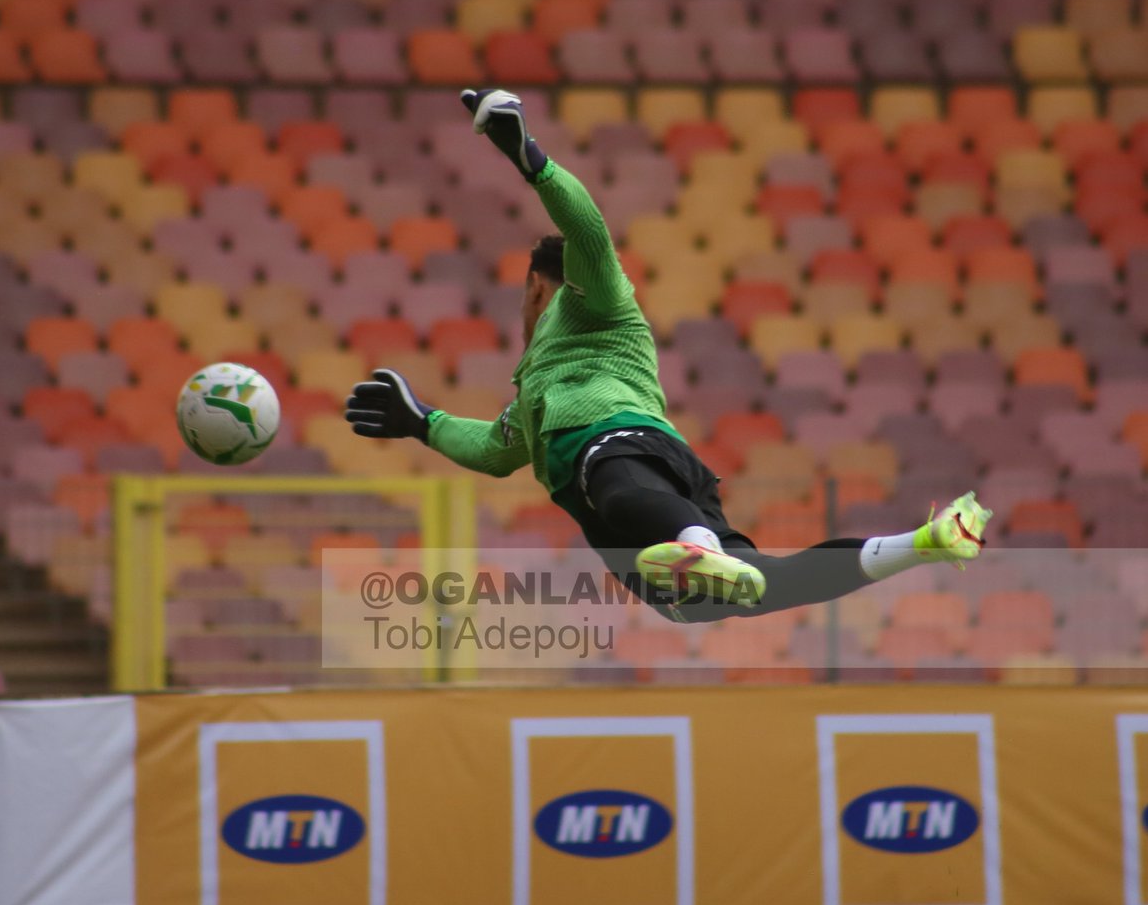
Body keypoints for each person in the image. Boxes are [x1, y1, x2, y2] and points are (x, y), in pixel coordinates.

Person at [345, 88, 992, 624]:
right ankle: (925, 544)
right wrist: (423, 422)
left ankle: (696, 546)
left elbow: (589, 233)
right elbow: (493, 450)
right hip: (662, 474)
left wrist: (530, 159)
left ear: (533, 286)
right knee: (754, 589)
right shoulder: (536, 399)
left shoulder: (591, 301)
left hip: (621, 447)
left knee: (614, 484)